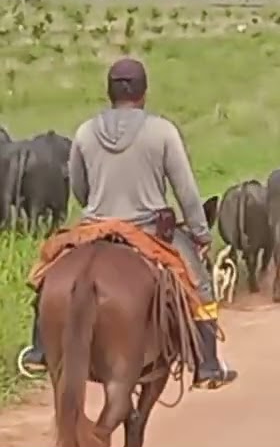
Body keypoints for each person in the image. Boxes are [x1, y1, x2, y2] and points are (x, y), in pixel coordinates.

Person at [21, 58, 238, 389]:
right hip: (148, 231)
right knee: (201, 284)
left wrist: (99, 206)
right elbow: (186, 192)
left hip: (95, 226)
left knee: (49, 268)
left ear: (109, 92)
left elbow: (79, 188)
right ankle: (207, 363)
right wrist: (200, 233)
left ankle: (38, 348)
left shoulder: (84, 132)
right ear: (144, 94)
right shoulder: (163, 131)